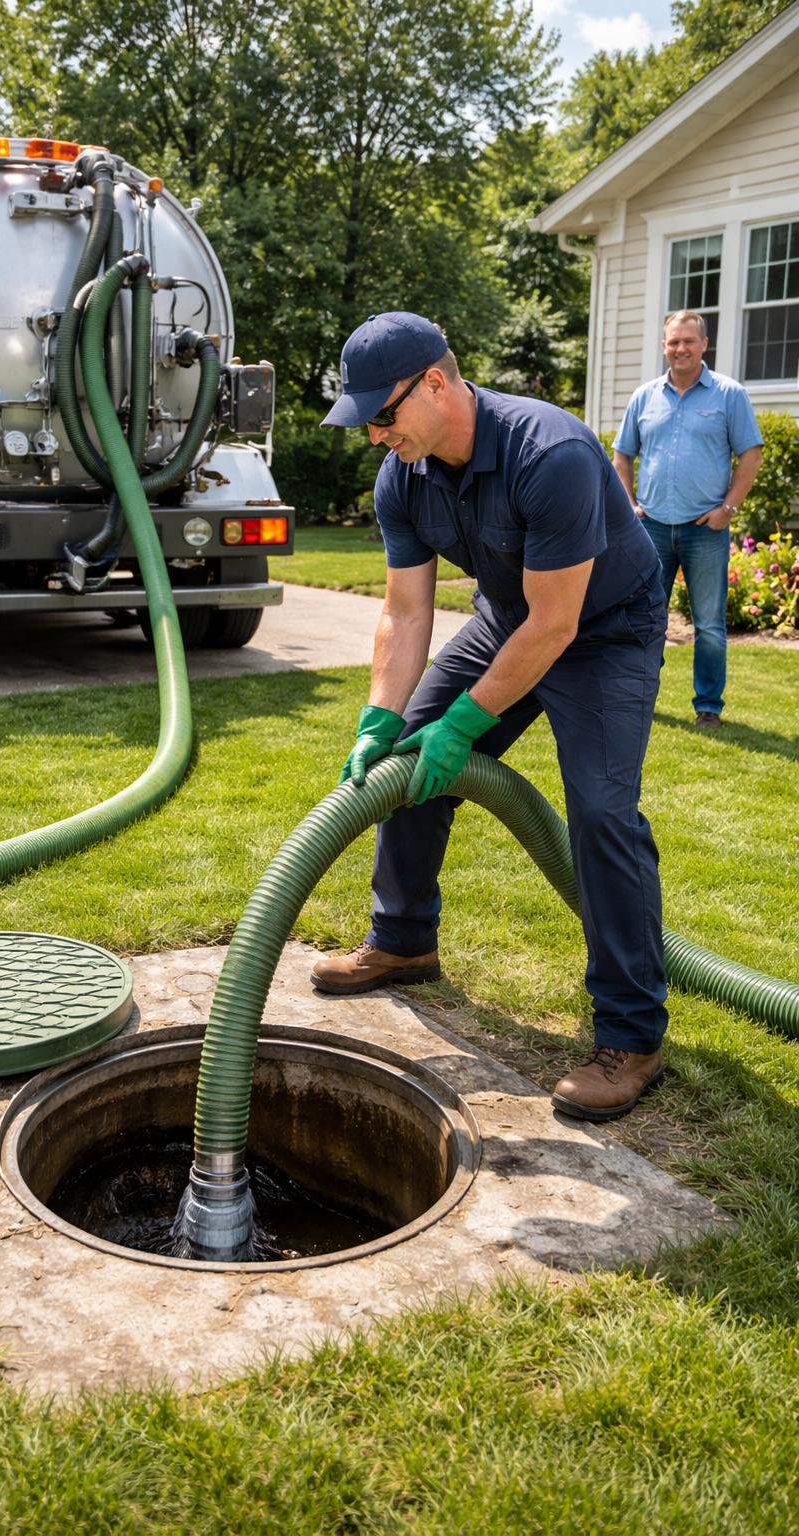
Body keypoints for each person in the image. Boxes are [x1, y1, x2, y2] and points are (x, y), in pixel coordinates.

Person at [311, 311, 670, 1123]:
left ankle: (632, 1035)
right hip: (513, 616)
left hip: (606, 628)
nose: (374, 435)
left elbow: (558, 625)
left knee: (603, 813)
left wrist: (466, 724)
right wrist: (379, 719)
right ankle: (404, 940)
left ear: (435, 384)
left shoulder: (553, 455)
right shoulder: (404, 475)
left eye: (383, 413)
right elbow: (406, 612)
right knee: (407, 759)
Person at [613, 310, 763, 729]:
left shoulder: (729, 395)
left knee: (710, 625)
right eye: (673, 342)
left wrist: (727, 510)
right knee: (645, 619)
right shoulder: (644, 397)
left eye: (688, 341)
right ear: (664, 346)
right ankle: (640, 698)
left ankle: (708, 708)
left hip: (705, 531)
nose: (680, 349)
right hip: (651, 529)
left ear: (704, 344)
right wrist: (629, 505)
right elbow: (622, 454)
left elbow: (750, 454)